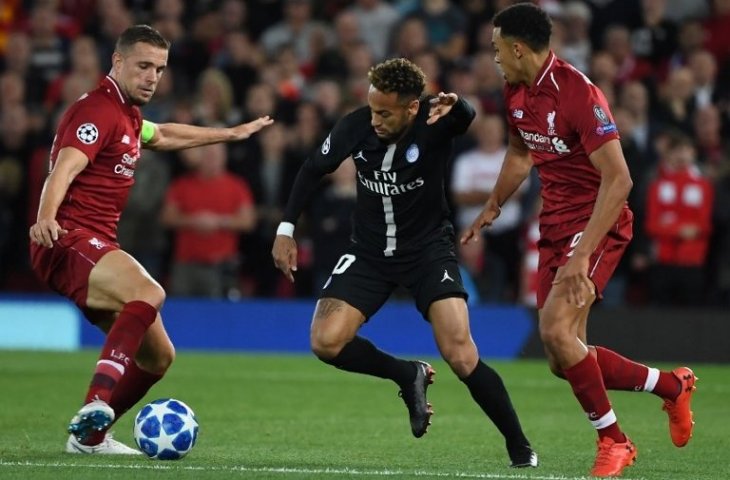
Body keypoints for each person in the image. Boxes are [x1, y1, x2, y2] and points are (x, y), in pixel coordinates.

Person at [461, 3, 696, 477]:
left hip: (596, 222)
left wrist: (582, 255)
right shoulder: (514, 91)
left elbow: (620, 179)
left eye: (496, 48)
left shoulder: (578, 93)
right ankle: (670, 386)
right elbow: (520, 152)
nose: (494, 57)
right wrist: (495, 203)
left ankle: (615, 441)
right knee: (561, 356)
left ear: (518, 47)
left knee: (554, 331)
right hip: (554, 225)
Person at [272, 57, 538, 468]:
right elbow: (312, 169)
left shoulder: (435, 120)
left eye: (385, 112)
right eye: (372, 108)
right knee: (325, 341)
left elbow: (465, 116)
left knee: (461, 354)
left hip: (428, 252)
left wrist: (460, 103)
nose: (374, 119)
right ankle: (405, 374)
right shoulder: (355, 125)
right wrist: (286, 229)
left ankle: (520, 447)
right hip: (369, 253)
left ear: (412, 107)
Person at [28, 25, 272, 454]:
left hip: (96, 243)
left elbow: (162, 135)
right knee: (149, 290)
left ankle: (89, 440)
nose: (152, 77)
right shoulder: (98, 110)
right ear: (117, 62)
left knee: (157, 356)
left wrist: (228, 134)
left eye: (159, 69)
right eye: (143, 66)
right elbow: (64, 168)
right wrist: (45, 216)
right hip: (68, 239)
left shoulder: (129, 116)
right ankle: (95, 404)